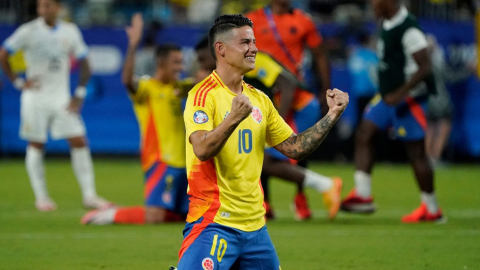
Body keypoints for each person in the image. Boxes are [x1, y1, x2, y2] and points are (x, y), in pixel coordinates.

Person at [176, 14, 348, 268]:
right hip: (214, 222)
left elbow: (295, 148)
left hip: (256, 230)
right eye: (245, 42)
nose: (254, 49)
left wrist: (331, 115)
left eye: (254, 42)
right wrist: (232, 118)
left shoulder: (260, 100)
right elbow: (201, 149)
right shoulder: (202, 96)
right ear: (220, 49)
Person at [195, 36, 342, 221]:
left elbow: (288, 84)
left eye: (202, 60)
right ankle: (266, 205)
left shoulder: (252, 61)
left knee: (266, 158)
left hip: (300, 108)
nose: (202, 66)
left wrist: (276, 121)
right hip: (284, 111)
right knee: (257, 153)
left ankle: (325, 185)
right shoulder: (227, 71)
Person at [0, 0, 110, 212]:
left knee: (79, 140)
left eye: (48, 5)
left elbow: (86, 63)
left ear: (58, 7)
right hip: (35, 97)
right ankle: (41, 197)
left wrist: (78, 94)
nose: (44, 10)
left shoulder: (70, 31)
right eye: (41, 6)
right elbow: (4, 53)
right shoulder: (28, 31)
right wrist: (18, 82)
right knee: (36, 143)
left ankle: (90, 195)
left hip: (61, 98)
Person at [340, 0, 445, 223]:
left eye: (376, 1)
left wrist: (402, 92)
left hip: (409, 97)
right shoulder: (387, 22)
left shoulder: (409, 29)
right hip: (388, 95)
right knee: (364, 133)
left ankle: (432, 209)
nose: (372, 4)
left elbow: (425, 67)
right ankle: (363, 195)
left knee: (416, 152)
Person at [81, 14, 190, 225]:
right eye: (176, 62)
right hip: (160, 160)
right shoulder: (147, 88)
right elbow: (126, 81)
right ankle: (109, 215)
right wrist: (132, 45)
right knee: (155, 217)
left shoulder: (179, 87)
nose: (180, 67)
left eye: (181, 62)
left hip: (185, 162)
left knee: (188, 216)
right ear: (161, 62)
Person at [246, 0, 331, 220]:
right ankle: (265, 201)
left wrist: (326, 89)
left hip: (294, 95)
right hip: (263, 93)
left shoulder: (303, 20)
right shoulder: (252, 19)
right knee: (261, 148)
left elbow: (320, 54)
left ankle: (300, 197)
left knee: (300, 147)